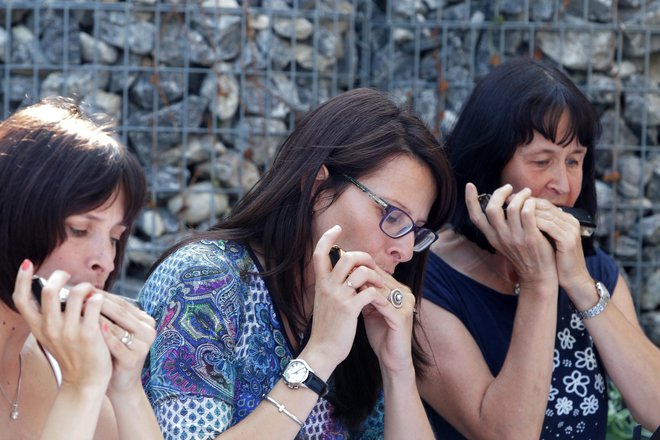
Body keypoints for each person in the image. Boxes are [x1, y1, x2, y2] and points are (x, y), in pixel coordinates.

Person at [138, 87, 456, 439]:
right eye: (392, 215)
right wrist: (319, 355)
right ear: (316, 187)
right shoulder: (205, 281)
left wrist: (398, 369)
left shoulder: (360, 315)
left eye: (417, 230)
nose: (407, 250)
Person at [418, 57, 660, 439]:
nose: (562, 184)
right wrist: (538, 282)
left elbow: (656, 408)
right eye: (543, 161)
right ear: (489, 168)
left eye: (575, 161)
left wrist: (580, 285)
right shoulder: (428, 284)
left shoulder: (592, 270)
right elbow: (507, 434)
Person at [0, 96, 162, 439]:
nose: (105, 261)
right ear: (14, 216)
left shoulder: (58, 356)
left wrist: (125, 386)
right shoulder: (73, 371)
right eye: (80, 230)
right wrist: (80, 387)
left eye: (115, 238)